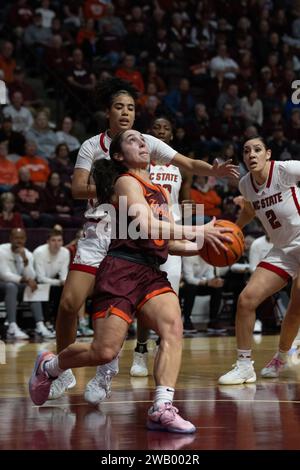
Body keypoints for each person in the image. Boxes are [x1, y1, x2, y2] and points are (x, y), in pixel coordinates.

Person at [29, 129, 233, 433]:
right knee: (104, 351)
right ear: (118, 156)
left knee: (172, 329)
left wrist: (202, 247)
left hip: (151, 272)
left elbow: (164, 240)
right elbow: (147, 224)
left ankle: (162, 406)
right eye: (133, 141)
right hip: (121, 270)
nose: (142, 143)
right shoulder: (125, 182)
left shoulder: (161, 192)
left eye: (143, 140)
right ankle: (49, 367)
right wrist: (198, 231)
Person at [49, 77, 239, 401]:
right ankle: (62, 368)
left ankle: (120, 371)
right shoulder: (93, 147)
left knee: (149, 312)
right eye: (119, 107)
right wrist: (120, 187)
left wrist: (215, 172)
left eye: (131, 108)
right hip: (102, 229)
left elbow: (188, 163)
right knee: (69, 304)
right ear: (108, 112)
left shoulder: (145, 142)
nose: (126, 113)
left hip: (134, 235)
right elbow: (78, 188)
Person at [219, 136, 300, 385]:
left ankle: (283, 355)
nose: (251, 154)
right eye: (246, 151)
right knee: (246, 300)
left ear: (268, 154)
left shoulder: (285, 170)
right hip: (282, 249)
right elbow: (249, 211)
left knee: (299, 298)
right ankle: (244, 366)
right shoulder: (245, 185)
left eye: (257, 150)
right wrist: (232, 230)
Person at [130, 115, 191, 377]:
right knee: (145, 297)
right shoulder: (140, 164)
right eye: (157, 128)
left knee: (170, 297)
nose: (162, 131)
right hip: (144, 234)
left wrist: (187, 231)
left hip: (171, 235)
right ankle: (140, 349)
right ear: (149, 134)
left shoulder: (181, 168)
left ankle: (161, 344)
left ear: (172, 135)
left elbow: (186, 203)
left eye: (166, 128)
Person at [0, 228, 54, 339]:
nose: (19, 241)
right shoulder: (1, 250)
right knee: (11, 286)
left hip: (17, 287)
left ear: (25, 239)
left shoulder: (27, 254)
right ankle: (12, 326)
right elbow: (4, 274)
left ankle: (40, 325)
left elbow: (31, 277)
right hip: (2, 286)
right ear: (10, 238)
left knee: (33, 287)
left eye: (21, 238)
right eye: (16, 238)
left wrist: (24, 260)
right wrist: (25, 280)